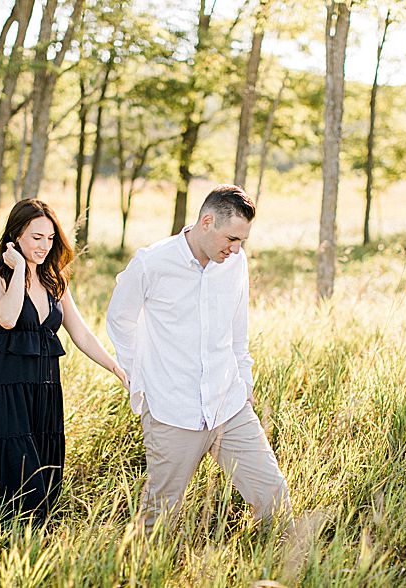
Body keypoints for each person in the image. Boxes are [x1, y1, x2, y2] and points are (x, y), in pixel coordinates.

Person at [106, 184, 290, 535]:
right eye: (231, 239)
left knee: (273, 495)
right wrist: (140, 381)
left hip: (229, 405)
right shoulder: (152, 263)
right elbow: (120, 319)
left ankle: (281, 567)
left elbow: (239, 332)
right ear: (207, 222)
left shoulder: (235, 264)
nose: (235, 249)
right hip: (172, 412)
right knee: (159, 518)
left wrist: (245, 384)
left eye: (242, 242)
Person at [0, 199, 128, 520]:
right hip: (3, 395)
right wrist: (19, 268)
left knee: (43, 484)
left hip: (44, 395)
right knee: (14, 486)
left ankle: (27, 553)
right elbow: (6, 316)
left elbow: (81, 334)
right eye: (36, 237)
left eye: (50, 238)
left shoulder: (54, 280)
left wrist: (117, 368)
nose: (45, 246)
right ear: (16, 235)